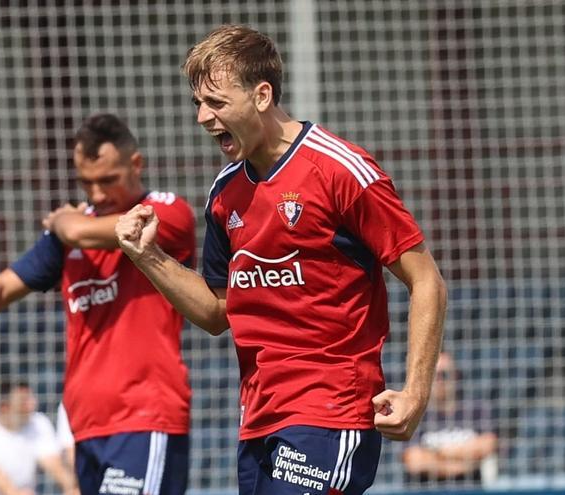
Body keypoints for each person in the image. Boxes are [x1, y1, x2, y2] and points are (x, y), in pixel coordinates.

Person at [115, 25, 447, 495]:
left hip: (331, 409)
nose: (203, 118)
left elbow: (427, 280)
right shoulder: (225, 192)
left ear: (262, 95)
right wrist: (145, 255)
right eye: (198, 104)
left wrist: (416, 391)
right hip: (258, 417)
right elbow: (215, 312)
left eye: (217, 102)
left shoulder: (340, 170)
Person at [0, 113, 194, 495]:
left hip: (144, 416)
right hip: (85, 425)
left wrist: (65, 221)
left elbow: (81, 232)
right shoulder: (69, 230)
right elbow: (5, 284)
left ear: (136, 165)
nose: (97, 194)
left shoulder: (163, 212)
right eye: (86, 183)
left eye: (107, 180)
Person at [0, 378, 79, 495]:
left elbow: (53, 464)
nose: (32, 405)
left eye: (31, 398)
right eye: (24, 402)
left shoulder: (39, 423)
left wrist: (71, 488)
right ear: (4, 406)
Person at [402, 352, 499, 485]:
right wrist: (465, 465)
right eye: (434, 376)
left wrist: (436, 453)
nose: (440, 380)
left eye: (445, 375)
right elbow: (415, 462)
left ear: (456, 376)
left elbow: (487, 446)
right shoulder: (415, 415)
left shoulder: (476, 410)